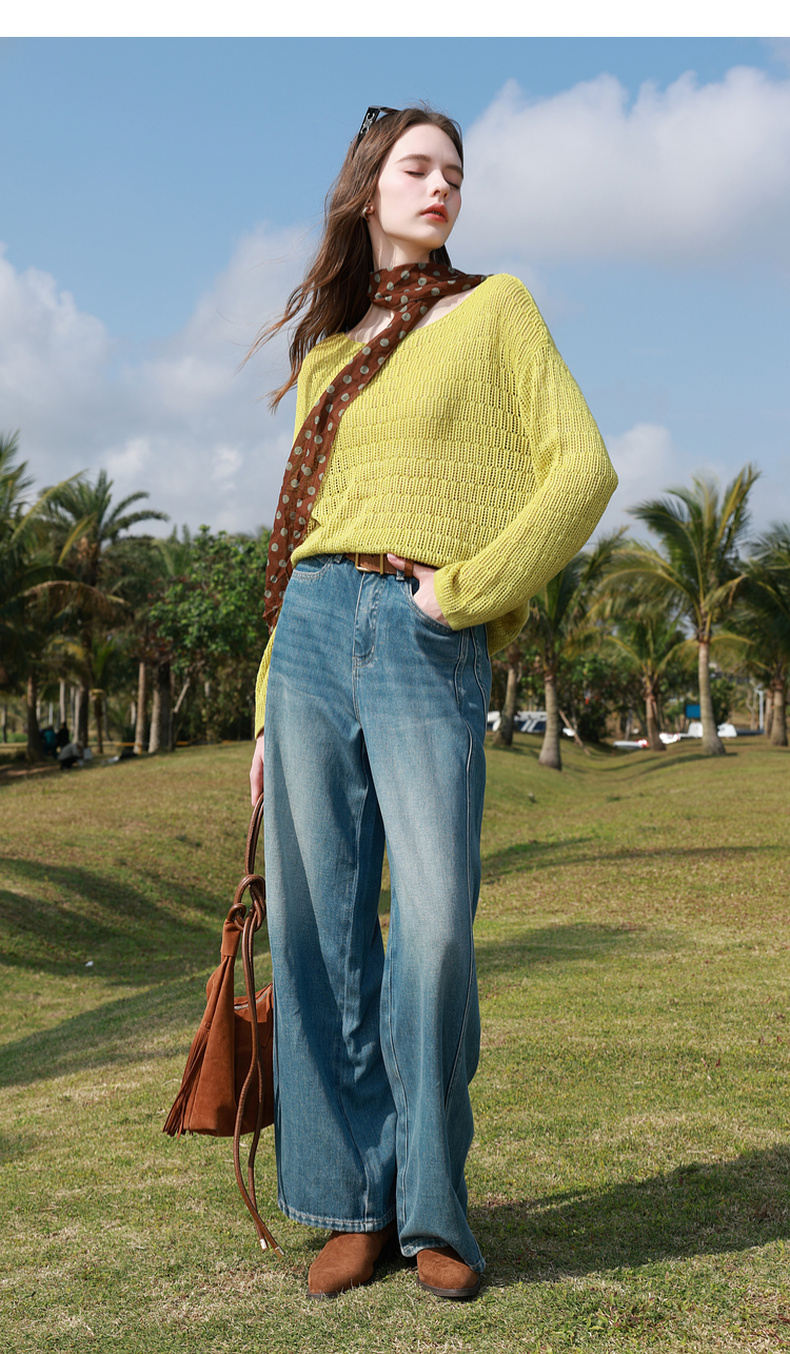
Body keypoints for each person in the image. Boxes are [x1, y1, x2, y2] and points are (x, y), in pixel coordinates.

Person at [249, 104, 617, 1300]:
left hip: (421, 633)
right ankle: (347, 1203)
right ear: (369, 187)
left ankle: (432, 1206)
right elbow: (296, 535)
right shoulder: (329, 351)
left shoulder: (496, 307)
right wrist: (262, 713)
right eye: (416, 166)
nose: (440, 185)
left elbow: (583, 467)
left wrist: (464, 592)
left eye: (454, 170)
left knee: (438, 923)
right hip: (311, 628)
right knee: (316, 926)